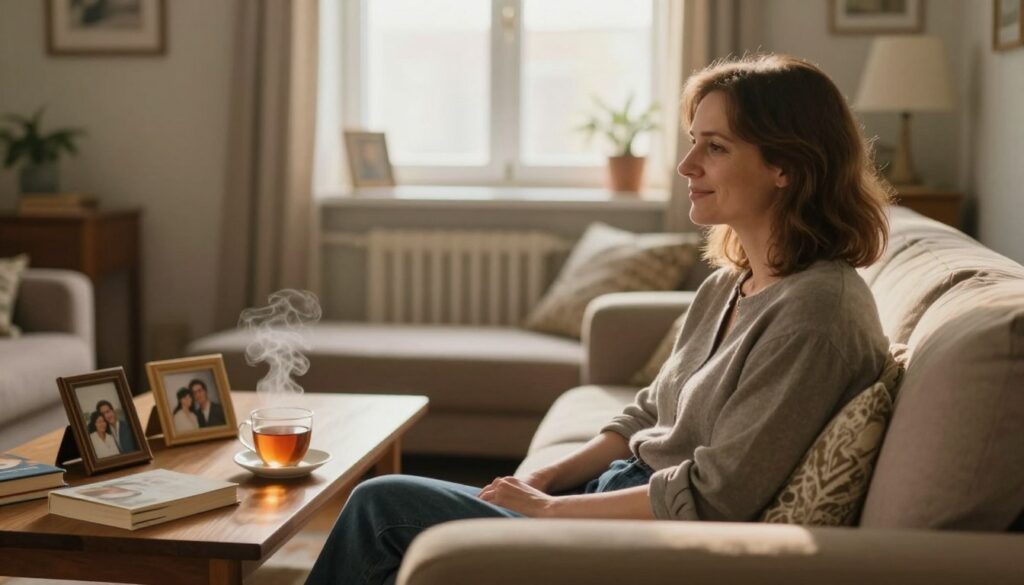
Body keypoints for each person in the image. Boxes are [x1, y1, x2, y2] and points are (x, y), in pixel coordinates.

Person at [304, 54, 893, 585]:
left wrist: (551, 511)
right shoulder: (728, 285)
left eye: (715, 147)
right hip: (610, 498)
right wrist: (546, 477)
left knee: (381, 507)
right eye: (693, 141)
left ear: (785, 166)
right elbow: (646, 412)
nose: (687, 165)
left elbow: (719, 495)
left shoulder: (817, 313)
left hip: (642, 541)